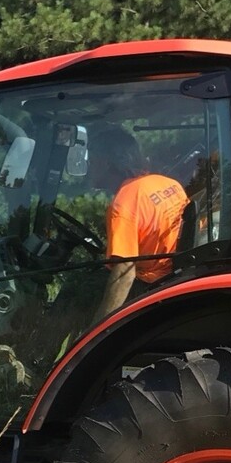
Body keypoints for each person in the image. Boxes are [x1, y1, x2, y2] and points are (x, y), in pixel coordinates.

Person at [88, 127, 188, 320]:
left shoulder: (123, 204)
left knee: (77, 289)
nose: (89, 168)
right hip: (176, 275)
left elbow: (124, 273)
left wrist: (98, 330)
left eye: (92, 161)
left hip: (152, 285)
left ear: (106, 163)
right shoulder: (168, 183)